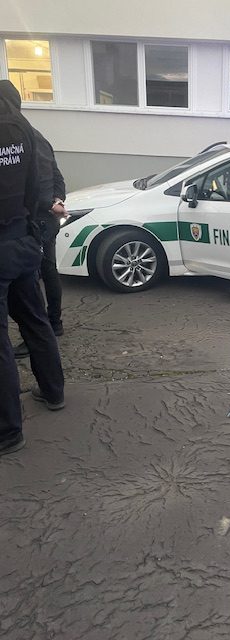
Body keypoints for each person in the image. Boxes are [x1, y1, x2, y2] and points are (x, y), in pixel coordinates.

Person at [0, 79, 65, 457]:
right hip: (24, 239)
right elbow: (40, 184)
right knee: (35, 320)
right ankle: (53, 392)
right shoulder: (25, 132)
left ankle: (8, 432)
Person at [14, 128, 67, 358]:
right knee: (48, 270)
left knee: (32, 277)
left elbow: (41, 182)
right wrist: (57, 200)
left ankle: (37, 335)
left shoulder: (20, 139)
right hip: (46, 219)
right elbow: (57, 177)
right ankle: (54, 324)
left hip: (36, 220)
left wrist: (49, 204)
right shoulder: (38, 137)